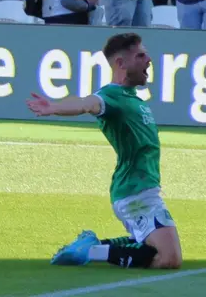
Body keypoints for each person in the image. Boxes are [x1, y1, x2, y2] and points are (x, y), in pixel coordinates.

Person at [26, 33, 182, 270]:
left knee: (155, 249)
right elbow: (87, 104)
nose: (148, 59)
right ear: (121, 63)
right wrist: (54, 107)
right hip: (135, 193)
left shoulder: (134, 99)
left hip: (142, 188)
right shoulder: (110, 96)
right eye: (140, 55)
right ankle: (92, 250)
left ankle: (94, 245)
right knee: (168, 258)